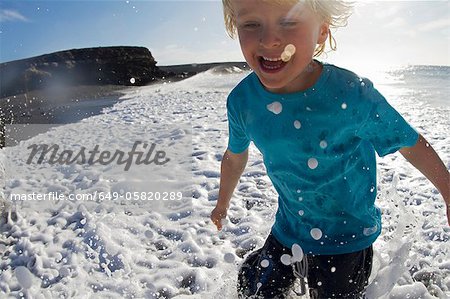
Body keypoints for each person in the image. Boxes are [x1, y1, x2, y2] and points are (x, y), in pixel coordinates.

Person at [210, 0, 450, 298]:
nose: (269, 39)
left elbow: (409, 142)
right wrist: (221, 205)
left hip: (347, 239)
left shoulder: (352, 95)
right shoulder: (243, 102)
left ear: (321, 32)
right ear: (235, 27)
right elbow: (235, 157)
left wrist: (448, 192)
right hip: (288, 228)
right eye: (251, 24)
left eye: (288, 22)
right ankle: (254, 267)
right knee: (256, 290)